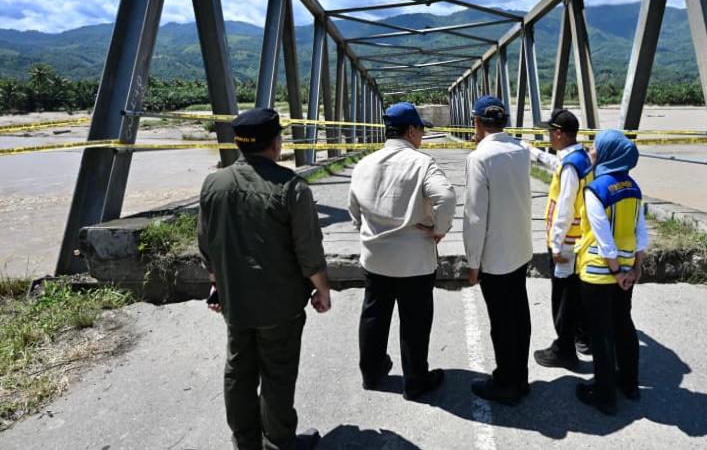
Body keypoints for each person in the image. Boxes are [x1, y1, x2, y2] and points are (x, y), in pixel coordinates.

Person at [198, 108, 330, 450]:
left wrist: (216, 284)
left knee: (239, 372)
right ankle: (278, 443)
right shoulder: (291, 187)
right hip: (279, 305)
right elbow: (309, 252)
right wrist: (322, 289)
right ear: (276, 142)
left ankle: (245, 442)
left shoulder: (214, 183)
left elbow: (207, 244)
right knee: (278, 374)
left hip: (236, 301)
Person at [348, 102, 457, 400]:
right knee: (414, 321)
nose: (422, 136)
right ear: (410, 130)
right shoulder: (422, 163)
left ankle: (371, 373)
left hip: (376, 257)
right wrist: (438, 229)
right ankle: (416, 380)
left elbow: (354, 209)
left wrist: (367, 229)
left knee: (374, 315)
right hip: (414, 261)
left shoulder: (364, 164)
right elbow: (446, 197)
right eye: (421, 129)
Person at [463, 95, 533, 405]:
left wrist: (473, 261)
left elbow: (475, 216)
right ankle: (521, 377)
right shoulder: (520, 150)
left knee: (502, 323)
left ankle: (506, 383)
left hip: (495, 256)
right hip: (520, 249)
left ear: (477, 122)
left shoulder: (480, 158)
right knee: (519, 316)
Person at [573, 129, 648, 416]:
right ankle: (629, 384)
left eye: (595, 146)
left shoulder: (597, 189)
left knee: (601, 333)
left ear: (607, 153)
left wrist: (615, 271)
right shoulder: (633, 188)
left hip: (599, 272)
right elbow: (640, 232)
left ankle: (604, 395)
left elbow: (603, 239)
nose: (592, 150)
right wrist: (634, 268)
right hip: (627, 271)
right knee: (623, 325)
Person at [528, 109, 594, 370]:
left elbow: (564, 208)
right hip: (581, 240)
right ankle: (582, 337)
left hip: (566, 241)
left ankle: (564, 349)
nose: (548, 137)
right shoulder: (582, 158)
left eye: (549, 132)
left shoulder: (570, 166)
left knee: (563, 296)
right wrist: (533, 153)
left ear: (558, 133)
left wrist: (555, 246)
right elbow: (557, 165)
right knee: (576, 292)